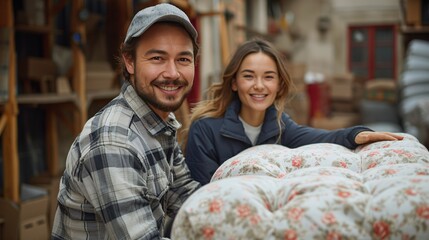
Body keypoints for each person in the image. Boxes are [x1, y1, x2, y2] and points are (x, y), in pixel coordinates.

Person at [51, 3, 200, 239]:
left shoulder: (159, 121)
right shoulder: (114, 142)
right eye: (157, 58)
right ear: (129, 62)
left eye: (183, 59)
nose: (172, 72)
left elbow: (186, 197)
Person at [184, 38, 404, 185]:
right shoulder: (205, 129)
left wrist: (358, 135)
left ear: (279, 85)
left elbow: (323, 137)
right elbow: (201, 193)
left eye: (268, 77)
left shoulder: (280, 126)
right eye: (248, 76)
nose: (259, 85)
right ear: (234, 83)